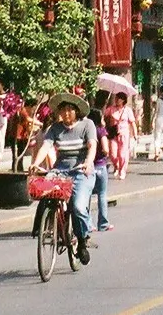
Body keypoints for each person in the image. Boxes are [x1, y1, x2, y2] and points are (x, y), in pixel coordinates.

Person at [30, 93, 98, 263]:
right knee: (44, 192)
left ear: (76, 111)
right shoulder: (55, 128)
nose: (66, 113)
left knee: (78, 207)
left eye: (70, 110)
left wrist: (88, 162)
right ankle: (43, 227)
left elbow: (92, 146)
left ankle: (82, 241)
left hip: (81, 171)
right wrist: (36, 163)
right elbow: (46, 146)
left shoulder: (87, 125)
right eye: (63, 110)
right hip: (60, 170)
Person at [89, 96, 114, 234]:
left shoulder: (87, 132)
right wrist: (105, 154)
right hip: (100, 165)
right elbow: (105, 148)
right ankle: (103, 223)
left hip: (89, 167)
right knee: (102, 195)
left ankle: (88, 224)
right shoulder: (101, 131)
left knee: (87, 196)